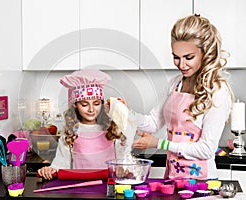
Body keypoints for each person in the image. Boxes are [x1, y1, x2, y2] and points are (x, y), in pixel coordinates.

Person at [132, 14, 234, 180]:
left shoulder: (217, 91)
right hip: (172, 177)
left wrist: (159, 143)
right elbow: (152, 122)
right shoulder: (175, 84)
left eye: (189, 57)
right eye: (176, 57)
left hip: (201, 183)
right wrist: (124, 113)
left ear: (205, 53)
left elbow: (206, 149)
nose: (181, 64)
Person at [37, 70, 126, 180]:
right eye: (84, 104)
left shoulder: (112, 130)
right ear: (75, 105)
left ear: (102, 104)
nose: (91, 109)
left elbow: (123, 159)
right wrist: (50, 170)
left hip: (108, 188)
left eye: (96, 103)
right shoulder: (70, 134)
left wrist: (123, 167)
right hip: (79, 189)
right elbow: (61, 164)